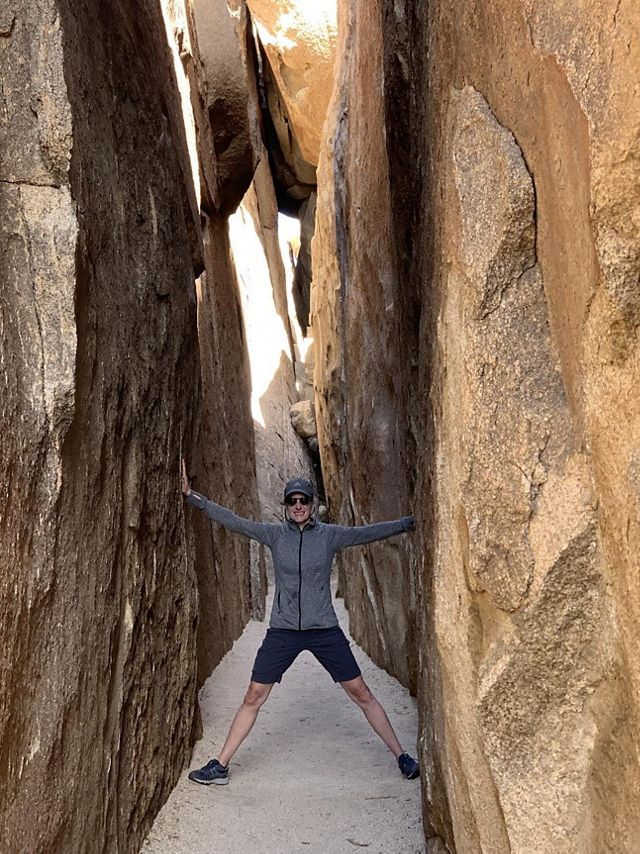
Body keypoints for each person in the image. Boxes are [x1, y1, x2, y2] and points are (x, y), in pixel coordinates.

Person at [181, 459, 420, 786]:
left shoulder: (330, 536)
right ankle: (220, 765)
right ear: (285, 506)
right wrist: (193, 497)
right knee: (254, 694)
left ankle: (402, 756)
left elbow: (367, 533)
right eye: (292, 501)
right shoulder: (275, 535)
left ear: (313, 504)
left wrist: (408, 523)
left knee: (360, 691)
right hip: (283, 631)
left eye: (303, 500)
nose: (297, 506)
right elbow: (234, 522)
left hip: (324, 631)